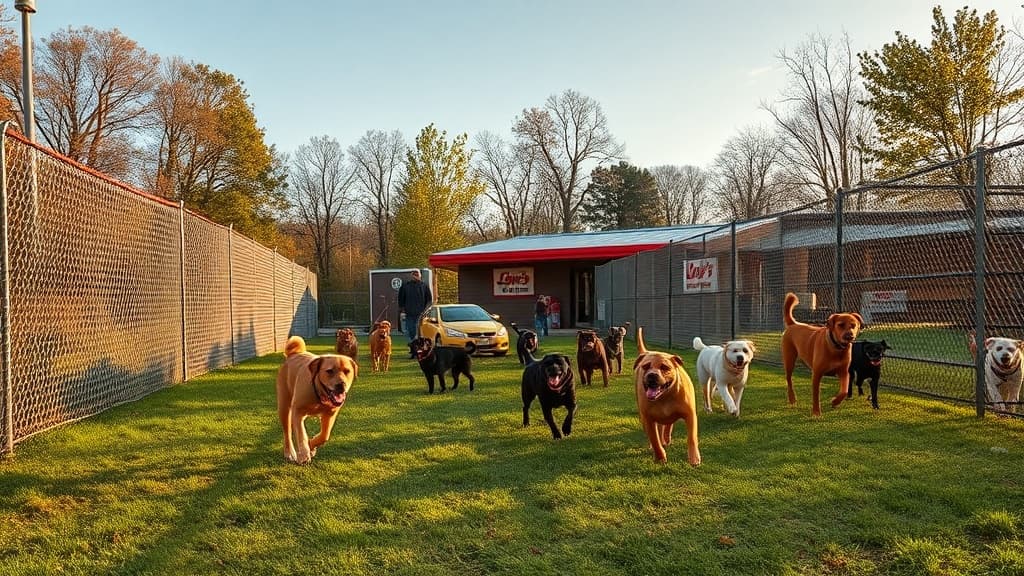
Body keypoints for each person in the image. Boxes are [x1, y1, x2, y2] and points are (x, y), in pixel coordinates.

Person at [398, 269, 432, 356]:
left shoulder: (424, 286)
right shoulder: (405, 286)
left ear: (420, 275)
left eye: (417, 274)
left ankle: (421, 350)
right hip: (409, 314)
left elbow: (429, 300)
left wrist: (426, 311)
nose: (415, 276)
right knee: (411, 332)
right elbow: (401, 300)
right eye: (413, 274)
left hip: (421, 314)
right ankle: (413, 351)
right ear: (411, 275)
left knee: (420, 333)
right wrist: (402, 311)